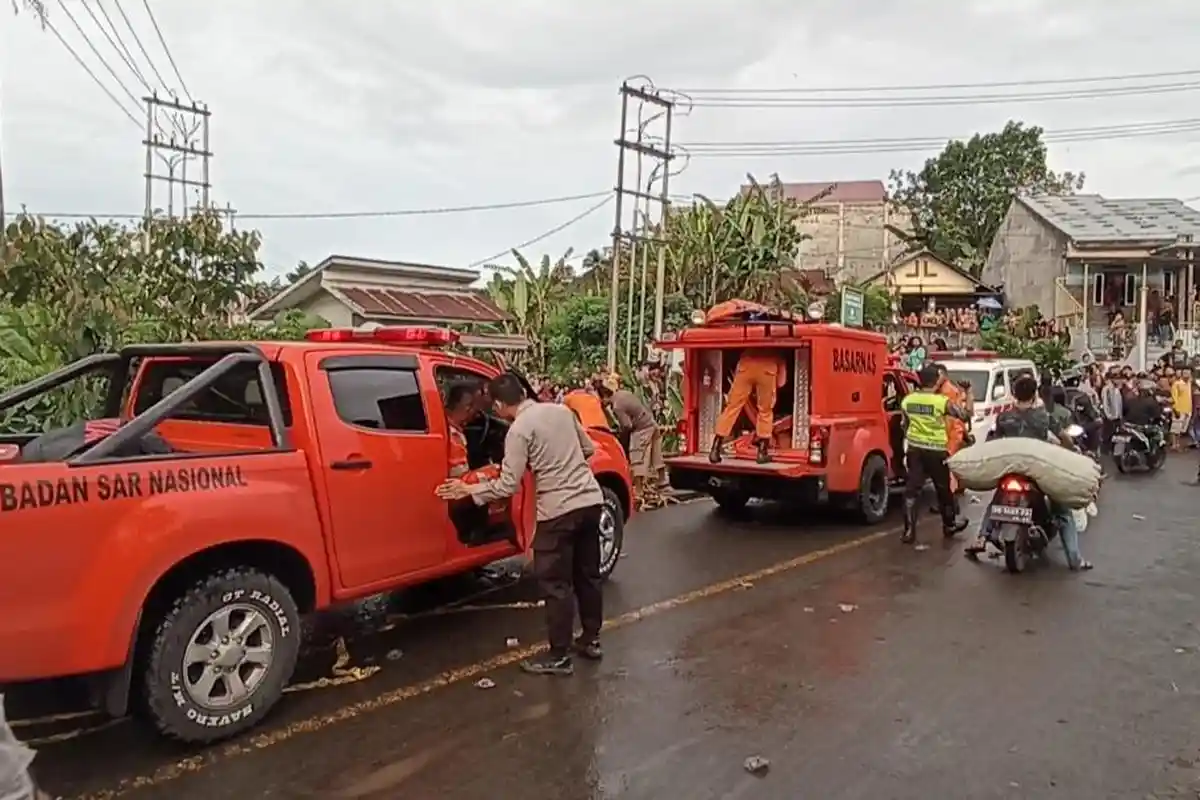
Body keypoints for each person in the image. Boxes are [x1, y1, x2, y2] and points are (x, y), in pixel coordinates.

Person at [435, 373, 606, 676]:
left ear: (499, 405)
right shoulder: (561, 411)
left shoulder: (519, 430)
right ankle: (591, 640)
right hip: (590, 501)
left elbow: (507, 485)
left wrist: (468, 490)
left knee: (556, 585)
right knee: (588, 576)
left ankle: (559, 656)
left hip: (558, 511)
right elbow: (589, 450)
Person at [965, 375, 1092, 570]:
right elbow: (1063, 437)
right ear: (1034, 395)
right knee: (1063, 513)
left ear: (1014, 394)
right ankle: (1075, 560)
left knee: (997, 501)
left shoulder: (1004, 417)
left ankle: (982, 537)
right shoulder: (1044, 417)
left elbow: (994, 442)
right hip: (1036, 471)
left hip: (1011, 469)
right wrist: (1072, 449)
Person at [899, 364, 970, 544]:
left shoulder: (908, 400)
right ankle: (949, 525)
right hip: (936, 450)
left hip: (915, 450)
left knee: (912, 490)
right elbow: (964, 415)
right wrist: (968, 393)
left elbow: (904, 425)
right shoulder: (941, 402)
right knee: (943, 489)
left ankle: (908, 531)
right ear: (936, 381)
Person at [710, 350, 788, 464]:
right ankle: (762, 453)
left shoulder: (747, 350)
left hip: (745, 366)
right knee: (765, 411)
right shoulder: (778, 353)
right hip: (767, 368)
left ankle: (715, 449)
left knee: (732, 407)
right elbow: (781, 382)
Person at [598, 375, 665, 489]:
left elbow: (627, 425)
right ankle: (662, 481)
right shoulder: (624, 393)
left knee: (636, 457)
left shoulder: (617, 406)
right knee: (656, 454)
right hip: (651, 422)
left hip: (642, 428)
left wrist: (621, 439)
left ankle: (638, 489)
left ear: (604, 397)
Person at [1171, 368, 1193, 452]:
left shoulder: (1189, 383)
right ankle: (1174, 445)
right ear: (1182, 374)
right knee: (1175, 429)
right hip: (1179, 410)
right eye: (1185, 373)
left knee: (1181, 430)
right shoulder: (1177, 384)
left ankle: (1178, 444)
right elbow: (1174, 397)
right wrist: (1176, 409)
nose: (1187, 375)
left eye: (1188, 373)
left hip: (1188, 410)